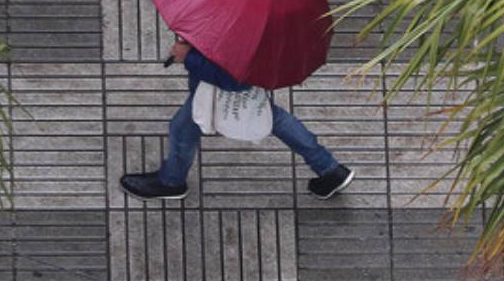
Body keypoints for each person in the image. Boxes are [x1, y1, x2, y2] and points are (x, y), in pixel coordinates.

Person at [120, 39, 355, 201]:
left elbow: (235, 80)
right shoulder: (260, 12)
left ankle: (171, 182)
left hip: (219, 87)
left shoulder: (240, 22)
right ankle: (329, 170)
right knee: (274, 118)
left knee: (182, 128)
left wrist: (189, 57)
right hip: (241, 77)